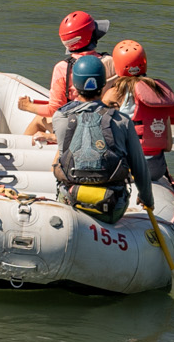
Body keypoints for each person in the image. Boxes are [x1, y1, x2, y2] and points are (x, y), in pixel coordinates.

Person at [50, 53, 156, 224]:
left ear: (75, 86)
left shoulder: (60, 117)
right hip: (111, 207)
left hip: (71, 202)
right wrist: (147, 199)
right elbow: (139, 166)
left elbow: (64, 158)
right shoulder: (122, 121)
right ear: (103, 84)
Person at [102, 39, 174, 196]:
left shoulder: (114, 93)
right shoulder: (159, 92)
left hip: (128, 169)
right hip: (156, 169)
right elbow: (168, 146)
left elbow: (96, 122)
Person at [19, 8, 109, 133]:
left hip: (77, 127)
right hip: (106, 123)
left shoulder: (63, 68)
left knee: (39, 120)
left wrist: (27, 106)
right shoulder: (110, 61)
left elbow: (54, 109)